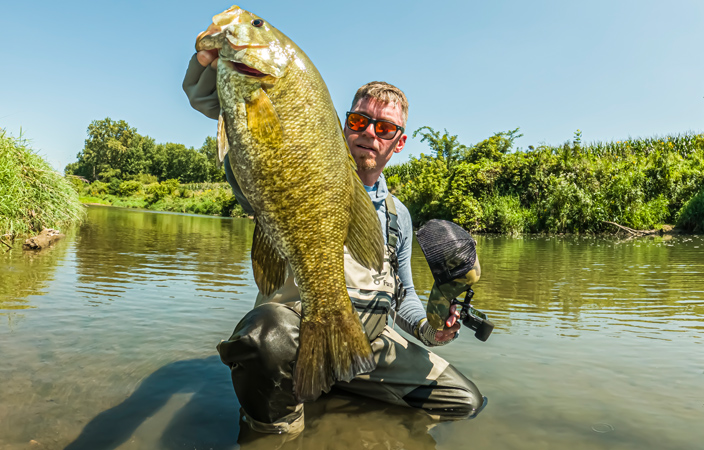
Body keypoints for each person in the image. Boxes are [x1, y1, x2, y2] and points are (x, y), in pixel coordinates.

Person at [182, 48, 484, 436]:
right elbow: (240, 129)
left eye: (385, 128)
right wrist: (222, 73)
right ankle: (279, 428)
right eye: (360, 121)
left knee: (464, 402)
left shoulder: (399, 215)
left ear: (400, 142)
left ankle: (337, 380)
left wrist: (430, 329)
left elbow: (403, 294)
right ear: (344, 125)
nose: (370, 133)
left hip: (368, 343)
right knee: (265, 338)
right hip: (298, 333)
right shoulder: (293, 171)